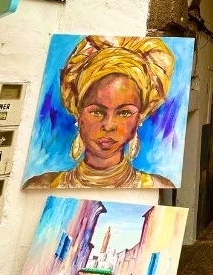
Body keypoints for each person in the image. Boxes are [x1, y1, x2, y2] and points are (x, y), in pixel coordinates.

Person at [25, 36, 177, 189]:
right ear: (78, 112)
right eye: (97, 112)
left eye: (124, 113)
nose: (108, 125)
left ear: (140, 118)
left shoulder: (158, 186)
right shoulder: (41, 186)